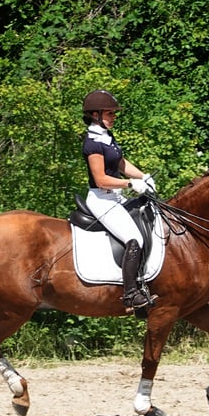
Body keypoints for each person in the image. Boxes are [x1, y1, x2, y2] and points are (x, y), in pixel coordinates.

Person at [81, 89, 157, 314]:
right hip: (101, 200)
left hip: (115, 198)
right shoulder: (92, 142)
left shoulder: (106, 137)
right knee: (134, 239)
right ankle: (131, 294)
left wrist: (143, 176)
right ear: (95, 115)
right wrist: (130, 185)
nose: (114, 116)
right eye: (110, 113)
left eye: (114, 112)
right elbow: (101, 179)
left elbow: (121, 164)